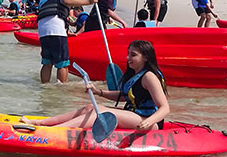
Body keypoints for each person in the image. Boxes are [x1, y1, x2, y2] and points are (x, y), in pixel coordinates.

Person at [21, 40, 170, 131]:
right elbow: (124, 96)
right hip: (136, 115)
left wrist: (149, 122)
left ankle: (54, 131)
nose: (128, 58)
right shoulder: (136, 74)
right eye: (128, 54)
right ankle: (41, 122)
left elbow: (164, 108)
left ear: (146, 57)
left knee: (102, 113)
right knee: (90, 107)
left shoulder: (149, 77)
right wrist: (98, 92)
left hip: (148, 120)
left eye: (133, 55)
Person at [37, 0, 97, 83]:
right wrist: (89, 1)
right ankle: (62, 88)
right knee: (63, 63)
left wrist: (66, 31)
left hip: (42, 31)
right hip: (56, 30)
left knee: (47, 63)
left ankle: (44, 86)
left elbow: (50, 16)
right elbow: (66, 1)